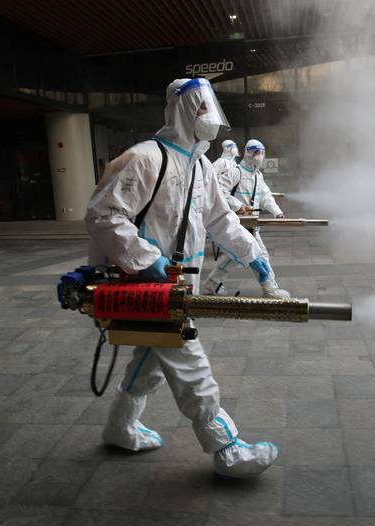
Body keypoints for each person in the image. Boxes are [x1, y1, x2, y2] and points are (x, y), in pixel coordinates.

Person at [84, 77, 278, 478]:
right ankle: (227, 447)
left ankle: (120, 426)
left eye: (211, 108)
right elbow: (103, 214)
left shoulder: (200, 165)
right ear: (183, 110)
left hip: (178, 285)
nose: (210, 118)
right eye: (202, 108)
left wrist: (255, 256)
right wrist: (145, 258)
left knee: (152, 358)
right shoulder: (144, 158)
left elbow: (221, 219)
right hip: (147, 284)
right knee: (191, 365)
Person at [202, 139, 290, 298]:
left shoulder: (258, 175)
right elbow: (219, 191)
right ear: (248, 153)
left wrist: (277, 212)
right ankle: (270, 289)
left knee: (231, 258)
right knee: (259, 255)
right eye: (257, 153)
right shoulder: (236, 172)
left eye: (262, 153)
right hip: (238, 225)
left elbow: (266, 196)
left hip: (251, 224)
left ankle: (210, 286)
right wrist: (237, 206)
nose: (260, 156)